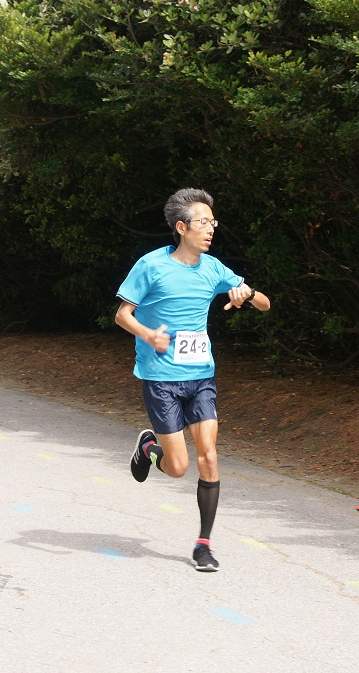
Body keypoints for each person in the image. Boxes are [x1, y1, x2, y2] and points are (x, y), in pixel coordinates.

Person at [114, 188, 271, 571]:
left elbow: (265, 304)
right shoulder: (151, 266)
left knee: (210, 456)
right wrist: (148, 335)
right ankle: (148, 448)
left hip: (201, 376)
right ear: (182, 227)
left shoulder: (214, 268)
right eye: (202, 222)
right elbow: (122, 314)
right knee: (178, 467)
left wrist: (247, 293)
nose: (210, 228)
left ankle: (203, 545)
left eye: (212, 221)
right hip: (161, 378)